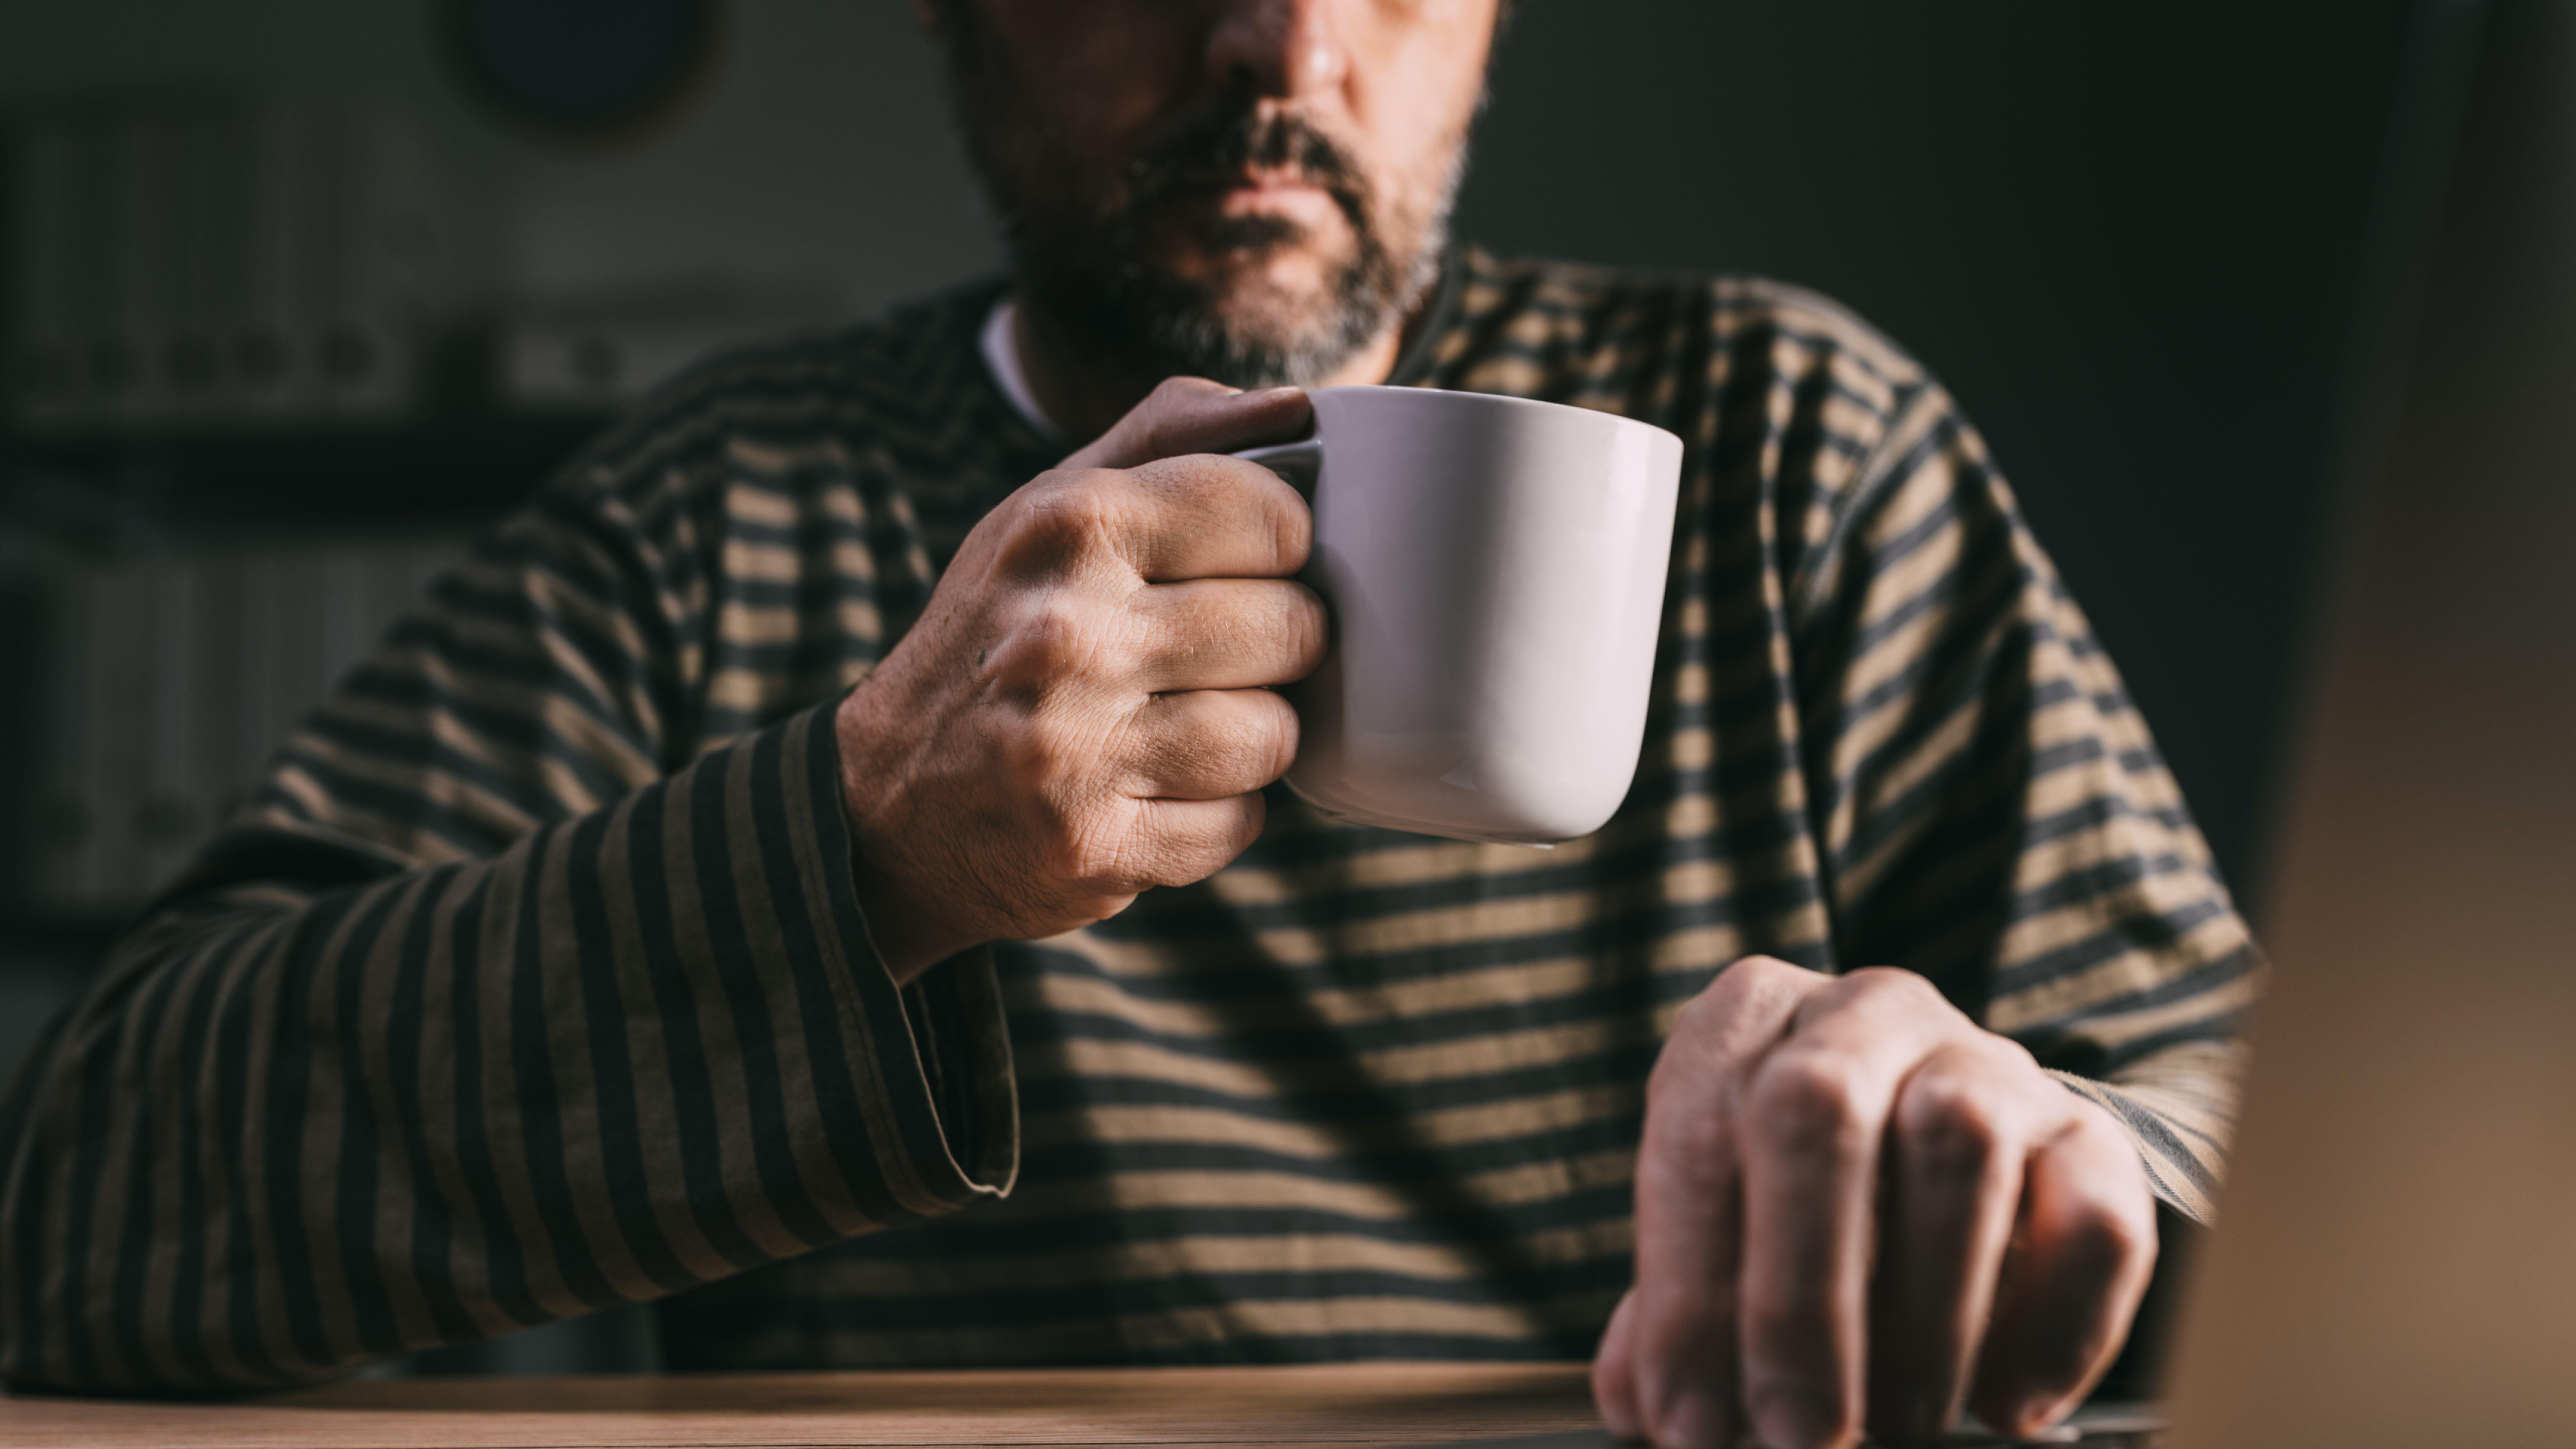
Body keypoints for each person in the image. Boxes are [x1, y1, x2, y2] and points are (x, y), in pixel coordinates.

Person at [0, 2, 2255, 1446]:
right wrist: (857, 842)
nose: (1279, 44)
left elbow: (2237, 1123)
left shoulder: (1792, 449)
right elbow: (90, 1206)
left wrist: (2048, 1151)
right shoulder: (723, 510)